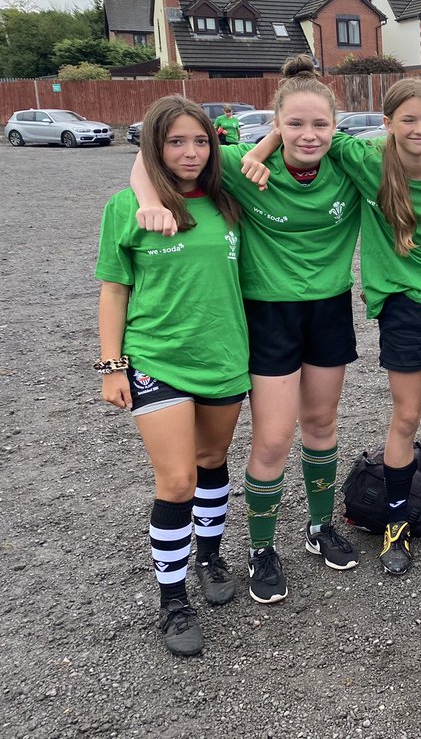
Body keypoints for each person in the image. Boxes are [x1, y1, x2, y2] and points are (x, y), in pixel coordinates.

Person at [137, 56, 421, 601]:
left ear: (336, 127)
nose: (308, 134)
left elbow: (420, 137)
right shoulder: (240, 165)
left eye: (319, 124)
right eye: (294, 124)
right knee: (274, 438)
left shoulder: (350, 162)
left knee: (321, 425)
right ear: (276, 125)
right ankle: (260, 549)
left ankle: (320, 528)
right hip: (268, 313)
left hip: (328, 309)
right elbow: (151, 159)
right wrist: (150, 201)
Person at [245, 78, 421, 574]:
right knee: (406, 417)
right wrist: (262, 145)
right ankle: (397, 521)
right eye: (408, 120)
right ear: (387, 125)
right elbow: (308, 129)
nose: (420, 130)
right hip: (403, 303)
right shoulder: (368, 161)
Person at [97, 95, 248, 656]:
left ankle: (209, 555)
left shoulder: (228, 203)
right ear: (155, 148)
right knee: (177, 480)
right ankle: (171, 598)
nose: (190, 152)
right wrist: (113, 366)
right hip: (155, 358)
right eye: (175, 141)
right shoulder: (126, 207)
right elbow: (114, 291)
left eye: (200, 140)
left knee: (211, 462)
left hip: (224, 357)